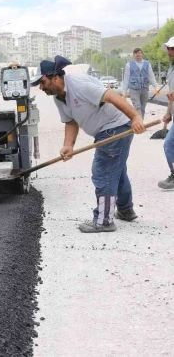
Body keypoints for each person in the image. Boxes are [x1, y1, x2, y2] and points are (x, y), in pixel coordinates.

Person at [32, 55, 145, 233]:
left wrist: (136, 117)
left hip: (115, 127)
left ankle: (104, 220)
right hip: (106, 130)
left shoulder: (79, 85)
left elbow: (112, 97)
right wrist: (68, 145)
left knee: (104, 171)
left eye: (43, 82)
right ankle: (125, 210)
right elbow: (70, 121)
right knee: (116, 171)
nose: (41, 87)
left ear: (55, 77)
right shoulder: (59, 97)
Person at [121, 48, 158, 118]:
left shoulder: (147, 64)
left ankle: (140, 123)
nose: (138, 55)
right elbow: (126, 79)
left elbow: (151, 76)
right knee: (137, 107)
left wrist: (156, 87)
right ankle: (140, 125)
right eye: (136, 53)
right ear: (133, 55)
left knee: (142, 108)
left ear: (142, 54)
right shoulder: (129, 65)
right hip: (133, 89)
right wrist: (124, 91)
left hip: (144, 89)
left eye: (139, 53)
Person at [158, 37, 174, 190]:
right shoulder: (171, 68)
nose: (170, 51)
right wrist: (168, 113)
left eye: (173, 48)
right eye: (169, 48)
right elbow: (171, 94)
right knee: (170, 145)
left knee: (169, 144)